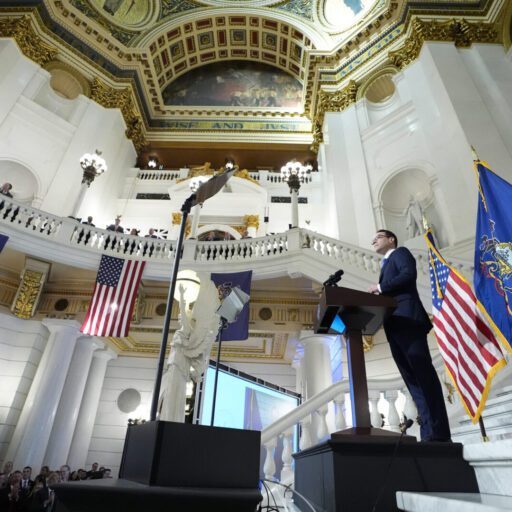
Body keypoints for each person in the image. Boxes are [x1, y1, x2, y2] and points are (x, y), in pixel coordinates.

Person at [368, 229, 451, 442]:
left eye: (378, 236)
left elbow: (408, 275)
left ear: (391, 239)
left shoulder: (400, 253)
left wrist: (380, 287)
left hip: (408, 319)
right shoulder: (385, 264)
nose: (373, 240)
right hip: (393, 324)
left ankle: (439, 432)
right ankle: (428, 433)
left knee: (423, 375)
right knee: (411, 381)